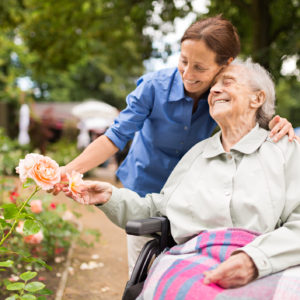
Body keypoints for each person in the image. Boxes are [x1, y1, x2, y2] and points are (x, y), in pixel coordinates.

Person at [54, 15, 296, 273]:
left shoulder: (220, 95)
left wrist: (275, 124)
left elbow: (247, 115)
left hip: (194, 195)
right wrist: (67, 171)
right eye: (183, 61)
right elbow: (115, 136)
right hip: (145, 188)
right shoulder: (154, 87)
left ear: (225, 65)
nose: (188, 74)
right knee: (144, 268)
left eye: (200, 68)